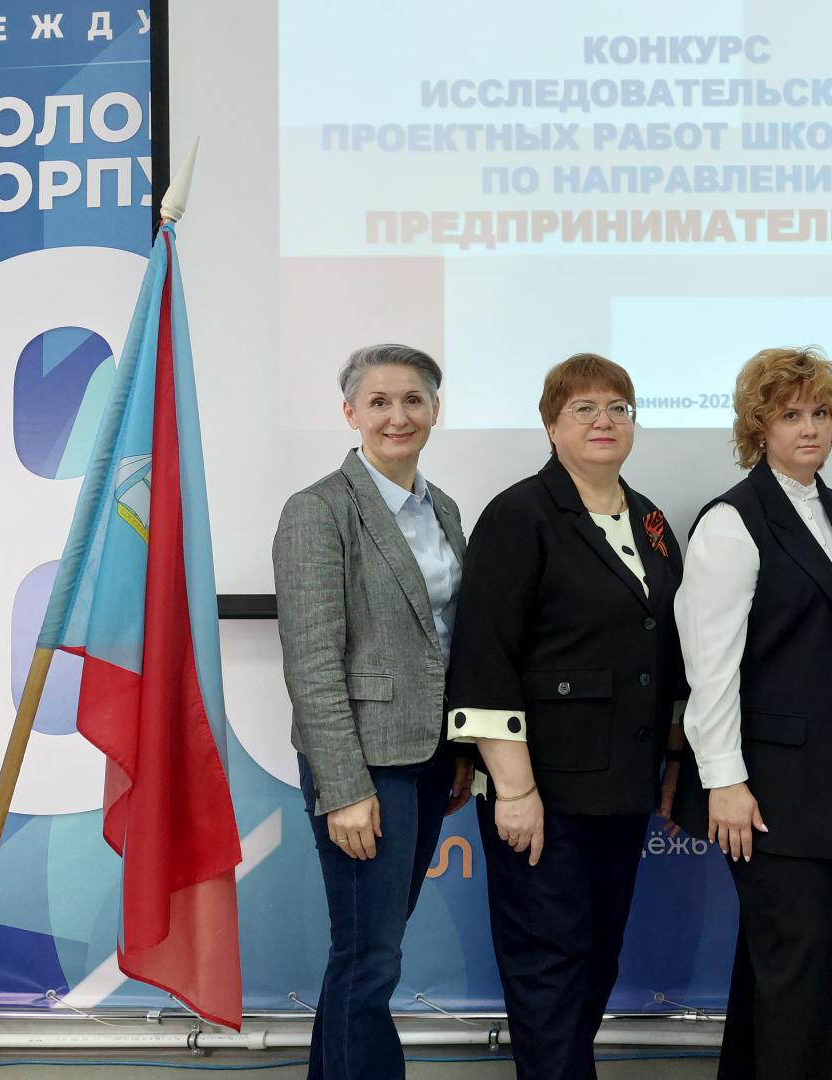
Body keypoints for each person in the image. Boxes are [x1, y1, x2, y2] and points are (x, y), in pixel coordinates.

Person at [442, 353, 688, 1080]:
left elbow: (670, 651)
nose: (603, 421)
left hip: (622, 790)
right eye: (584, 408)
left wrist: (673, 761)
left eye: (618, 408)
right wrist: (515, 792)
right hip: (543, 795)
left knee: (595, 962)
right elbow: (484, 658)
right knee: (548, 972)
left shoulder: (649, 519)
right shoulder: (520, 515)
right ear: (551, 426)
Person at [672, 346, 832, 1080]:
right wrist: (725, 779)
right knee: (797, 974)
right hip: (768, 789)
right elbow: (711, 666)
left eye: (820, 412)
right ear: (757, 427)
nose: (809, 428)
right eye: (790, 414)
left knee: (776, 968)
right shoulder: (733, 521)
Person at [273, 343, 476, 1080]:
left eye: (413, 400)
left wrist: (460, 750)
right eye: (380, 401)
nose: (398, 416)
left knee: (369, 951)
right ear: (350, 411)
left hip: (429, 755)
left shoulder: (443, 508)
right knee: (370, 956)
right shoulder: (319, 510)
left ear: (435, 411)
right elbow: (312, 663)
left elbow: (447, 640)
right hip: (363, 765)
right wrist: (344, 787)